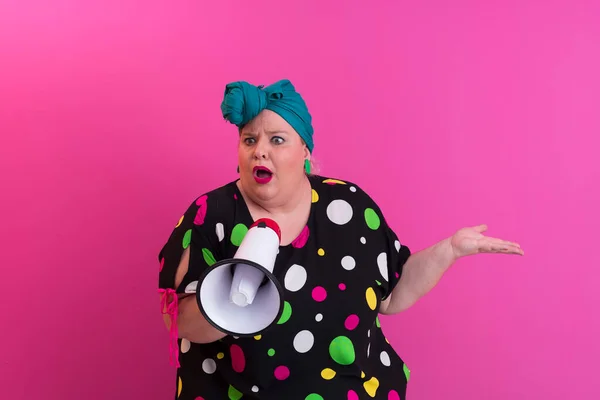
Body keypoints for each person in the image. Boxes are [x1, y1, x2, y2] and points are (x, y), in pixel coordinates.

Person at [157, 79, 524, 400]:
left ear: (305, 152)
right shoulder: (211, 215)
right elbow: (179, 321)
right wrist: (233, 303)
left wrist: (450, 250)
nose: (260, 150)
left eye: (277, 139)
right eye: (249, 139)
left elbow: (392, 296)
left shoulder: (349, 207)